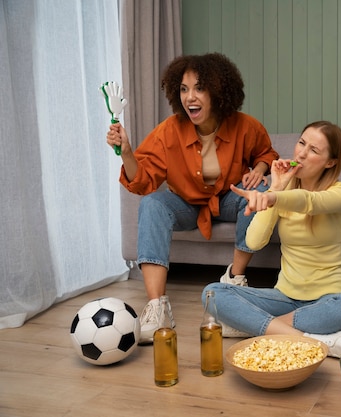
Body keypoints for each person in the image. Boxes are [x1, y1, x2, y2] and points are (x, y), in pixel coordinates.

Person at [106, 53, 279, 344]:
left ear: (218, 91)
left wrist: (260, 170)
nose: (190, 97)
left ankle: (233, 281)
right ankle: (157, 307)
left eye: (199, 88)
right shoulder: (168, 130)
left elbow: (266, 154)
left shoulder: (245, 125)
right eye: (184, 89)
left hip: (228, 199)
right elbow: (143, 181)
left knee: (260, 194)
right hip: (187, 204)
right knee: (152, 203)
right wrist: (126, 151)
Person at [202, 121, 341, 358]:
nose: (301, 153)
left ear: (331, 162)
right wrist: (276, 186)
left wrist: (274, 197)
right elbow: (254, 242)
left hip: (328, 299)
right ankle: (309, 340)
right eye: (301, 143)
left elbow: (310, 202)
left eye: (313, 150)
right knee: (212, 293)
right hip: (285, 298)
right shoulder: (281, 193)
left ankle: (262, 327)